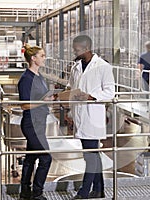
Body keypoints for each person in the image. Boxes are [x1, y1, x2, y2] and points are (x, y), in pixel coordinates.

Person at [65, 35, 115, 199]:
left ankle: (84, 192)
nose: (75, 51)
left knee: (90, 155)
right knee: (92, 154)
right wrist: (69, 113)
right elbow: (72, 90)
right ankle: (99, 190)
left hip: (93, 117)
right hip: (80, 116)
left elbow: (110, 92)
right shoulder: (76, 67)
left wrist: (90, 96)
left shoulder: (103, 66)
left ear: (87, 48)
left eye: (77, 49)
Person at [18, 44, 53, 200]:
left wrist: (51, 98)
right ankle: (37, 193)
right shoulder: (26, 79)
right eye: (42, 55)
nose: (44, 58)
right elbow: (25, 105)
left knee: (31, 158)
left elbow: (42, 97)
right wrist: (43, 101)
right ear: (33, 58)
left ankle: (25, 192)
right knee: (46, 158)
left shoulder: (40, 77)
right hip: (31, 123)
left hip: (40, 121)